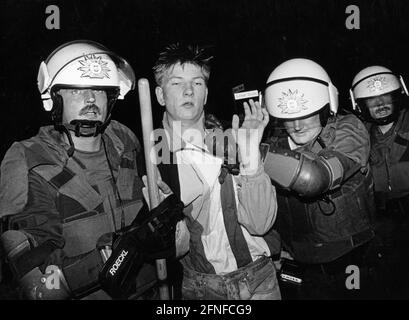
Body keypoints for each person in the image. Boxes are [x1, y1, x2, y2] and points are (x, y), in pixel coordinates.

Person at [0, 40, 182, 300]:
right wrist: (127, 250)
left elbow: (170, 240)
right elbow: (42, 288)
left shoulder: (127, 143)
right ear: (54, 99)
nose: (90, 99)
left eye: (99, 90)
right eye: (77, 91)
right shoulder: (29, 161)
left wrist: (169, 226)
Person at [152, 43, 281, 300]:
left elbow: (260, 224)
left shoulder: (232, 138)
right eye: (176, 83)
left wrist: (251, 154)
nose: (189, 90)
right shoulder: (154, 157)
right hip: (203, 288)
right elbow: (172, 249)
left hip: (259, 280)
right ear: (160, 95)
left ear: (206, 94)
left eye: (197, 83)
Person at [262, 58, 381, 299]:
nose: (296, 125)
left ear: (326, 106)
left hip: (347, 261)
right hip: (298, 264)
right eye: (288, 117)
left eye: (306, 114)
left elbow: (312, 179)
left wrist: (248, 151)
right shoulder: (274, 144)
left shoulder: (349, 129)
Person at [350, 65, 409, 298]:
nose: (381, 105)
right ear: (361, 106)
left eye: (386, 97)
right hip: (381, 221)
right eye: (372, 101)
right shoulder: (358, 137)